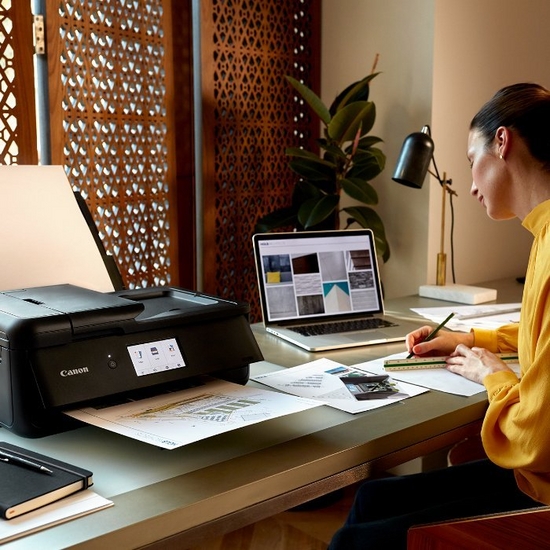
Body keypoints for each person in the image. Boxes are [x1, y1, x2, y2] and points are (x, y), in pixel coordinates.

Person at [329, 82, 550, 550]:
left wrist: (491, 376)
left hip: (543, 494)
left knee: (355, 542)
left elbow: (535, 433)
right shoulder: (542, 234)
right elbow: (539, 334)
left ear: (503, 142)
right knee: (369, 498)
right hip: (537, 477)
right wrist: (470, 339)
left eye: (473, 160)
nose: (469, 184)